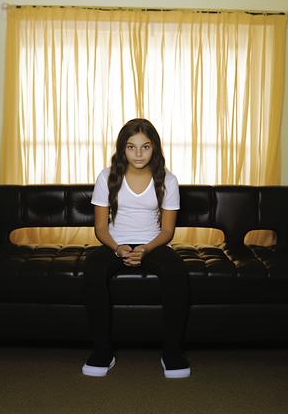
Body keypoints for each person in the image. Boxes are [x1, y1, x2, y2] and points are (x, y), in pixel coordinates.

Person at [82, 118, 190, 379]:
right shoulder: (107, 177)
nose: (139, 154)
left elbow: (167, 231)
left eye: (145, 147)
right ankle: (102, 351)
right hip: (114, 243)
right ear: (122, 149)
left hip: (153, 243)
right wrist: (118, 248)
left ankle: (172, 352)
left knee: (177, 272)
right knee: (93, 269)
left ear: (155, 148)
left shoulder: (168, 180)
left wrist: (146, 249)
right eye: (131, 147)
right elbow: (100, 228)